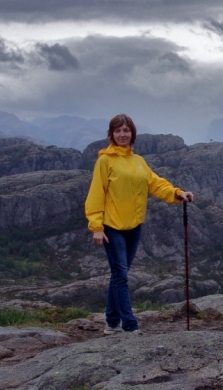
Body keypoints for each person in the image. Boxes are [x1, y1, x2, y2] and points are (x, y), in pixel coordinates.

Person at [85, 114, 193, 335]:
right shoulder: (105, 161)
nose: (122, 135)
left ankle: (111, 322)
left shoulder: (138, 161)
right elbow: (96, 194)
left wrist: (177, 193)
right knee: (121, 276)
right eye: (118, 131)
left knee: (118, 276)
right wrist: (96, 226)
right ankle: (129, 325)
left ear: (132, 133)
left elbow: (155, 183)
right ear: (111, 135)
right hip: (112, 227)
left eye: (126, 130)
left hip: (134, 227)